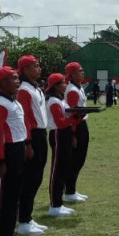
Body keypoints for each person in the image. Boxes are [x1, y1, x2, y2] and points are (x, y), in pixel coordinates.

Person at [0, 66, 30, 236]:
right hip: (8, 151)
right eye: (13, 78)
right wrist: (0, 160)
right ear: (3, 82)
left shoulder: (12, 101)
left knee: (15, 194)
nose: (17, 81)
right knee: (6, 196)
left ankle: (10, 235)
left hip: (18, 147)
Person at [16, 55, 50, 236]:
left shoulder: (34, 87)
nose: (39, 69)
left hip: (40, 133)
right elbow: (26, 118)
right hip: (33, 136)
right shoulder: (24, 90)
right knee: (31, 178)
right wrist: (28, 143)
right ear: (26, 70)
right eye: (35, 66)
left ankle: (27, 217)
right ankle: (23, 220)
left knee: (36, 177)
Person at [45, 72, 77, 217]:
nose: (65, 85)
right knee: (57, 169)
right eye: (63, 83)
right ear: (56, 86)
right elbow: (59, 121)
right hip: (58, 133)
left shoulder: (60, 99)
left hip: (64, 133)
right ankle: (55, 204)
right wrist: (74, 119)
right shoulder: (53, 101)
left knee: (64, 167)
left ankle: (59, 202)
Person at [64, 62, 90, 203]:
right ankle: (69, 191)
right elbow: (73, 113)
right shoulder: (72, 90)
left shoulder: (78, 88)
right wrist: (73, 134)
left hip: (82, 123)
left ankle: (72, 189)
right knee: (76, 159)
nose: (83, 73)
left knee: (80, 158)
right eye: (80, 71)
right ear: (72, 74)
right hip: (77, 125)